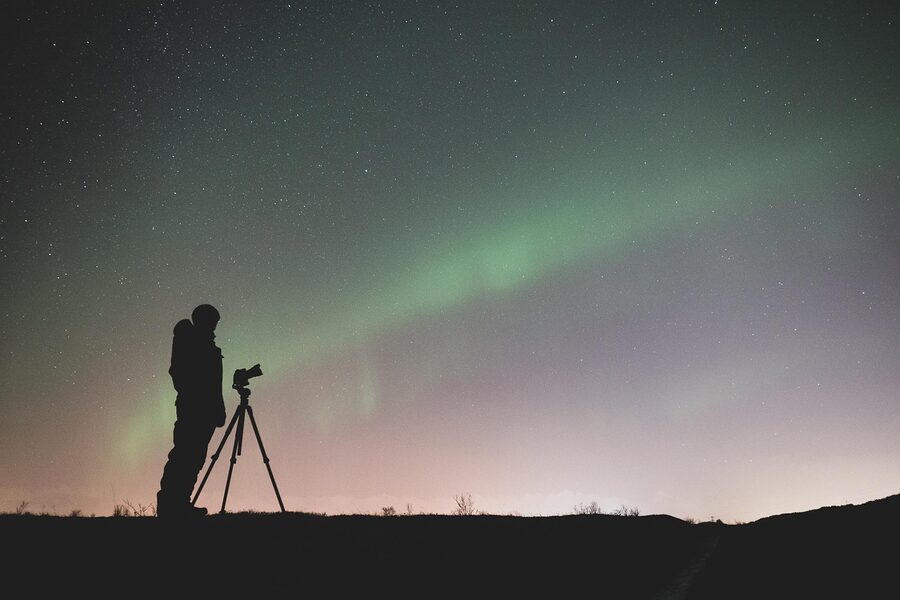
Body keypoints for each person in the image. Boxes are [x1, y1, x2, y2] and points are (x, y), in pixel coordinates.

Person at [157, 304, 227, 518]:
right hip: (194, 408)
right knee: (185, 455)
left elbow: (214, 382)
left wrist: (217, 407)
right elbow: (180, 372)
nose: (214, 327)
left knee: (195, 457)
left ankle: (181, 503)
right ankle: (171, 505)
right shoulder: (191, 340)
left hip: (204, 409)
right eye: (212, 322)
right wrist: (196, 396)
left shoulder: (205, 344)